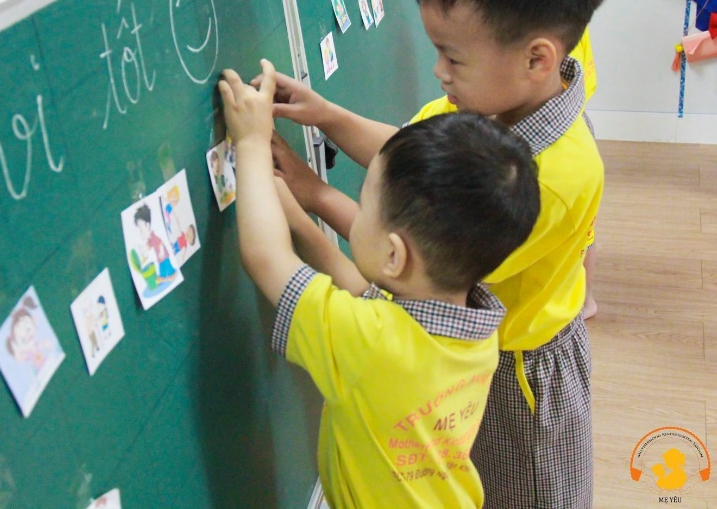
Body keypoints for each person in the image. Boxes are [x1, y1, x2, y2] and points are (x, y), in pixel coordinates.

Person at [261, 0, 606, 508]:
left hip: (516, 379)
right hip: (460, 355)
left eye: (453, 56)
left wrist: (316, 194)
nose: (440, 73)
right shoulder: (490, 104)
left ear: (537, 59)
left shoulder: (552, 178)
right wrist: (327, 115)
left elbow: (417, 257)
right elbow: (406, 155)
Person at [219, 59, 541, 508]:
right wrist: (306, 210)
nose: (358, 209)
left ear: (394, 256)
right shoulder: (476, 327)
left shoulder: (372, 344)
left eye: (364, 203)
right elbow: (365, 297)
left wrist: (251, 143)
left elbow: (266, 257)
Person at [547, 0, 613, 321]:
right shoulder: (569, 4)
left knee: (581, 228)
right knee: (580, 227)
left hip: (567, 120)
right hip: (572, 114)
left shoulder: (558, 15)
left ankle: (586, 298)